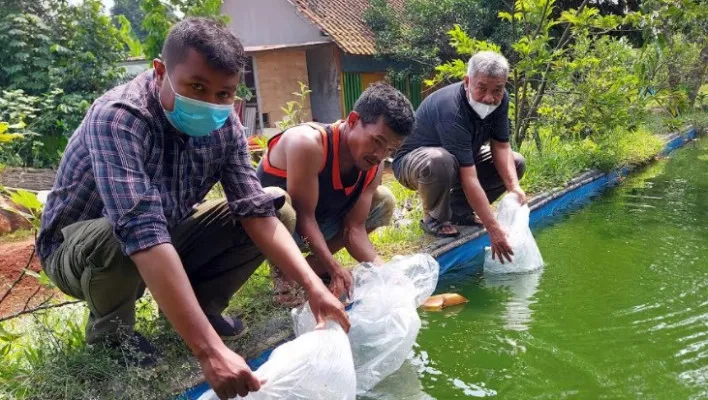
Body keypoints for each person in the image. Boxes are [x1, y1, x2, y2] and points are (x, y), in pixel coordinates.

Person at [36, 18, 348, 400]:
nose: (210, 103)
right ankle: (112, 336)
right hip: (77, 250)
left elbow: (254, 211)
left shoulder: (225, 127)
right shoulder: (118, 117)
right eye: (197, 87)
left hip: (164, 231)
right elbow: (140, 230)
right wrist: (209, 352)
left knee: (276, 212)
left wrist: (314, 286)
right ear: (160, 71)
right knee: (120, 231)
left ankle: (199, 308)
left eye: (224, 93)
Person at [256, 83, 415, 303]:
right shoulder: (308, 144)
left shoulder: (374, 164)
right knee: (280, 204)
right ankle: (284, 276)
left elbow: (355, 229)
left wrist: (386, 273)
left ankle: (310, 269)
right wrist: (334, 265)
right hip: (276, 226)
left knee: (384, 200)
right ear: (352, 121)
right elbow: (304, 218)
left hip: (319, 219)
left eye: (390, 150)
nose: (380, 155)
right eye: (377, 141)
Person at [392, 51, 526, 263]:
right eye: (482, 88)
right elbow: (469, 177)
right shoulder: (451, 109)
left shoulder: (501, 101)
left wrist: (514, 187)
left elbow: (501, 146)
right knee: (439, 160)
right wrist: (493, 228)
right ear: (467, 81)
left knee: (516, 162)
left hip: (459, 159)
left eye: (497, 90)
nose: (489, 98)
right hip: (416, 163)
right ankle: (434, 219)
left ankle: (459, 212)